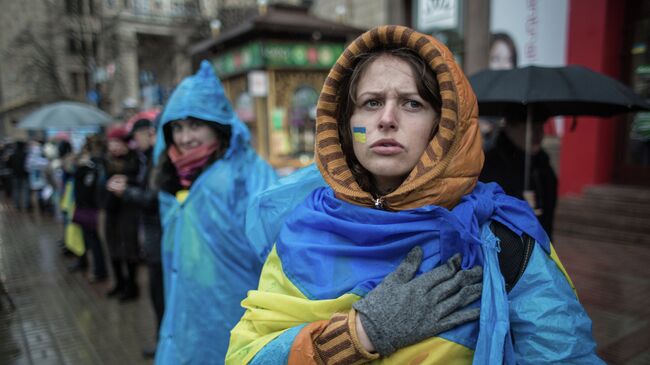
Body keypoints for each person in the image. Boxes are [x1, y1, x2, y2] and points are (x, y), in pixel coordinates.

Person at [226, 25, 603, 364]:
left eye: (412, 103)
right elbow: (245, 356)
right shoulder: (305, 230)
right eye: (371, 102)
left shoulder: (502, 241)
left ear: (443, 126)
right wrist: (358, 335)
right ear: (346, 124)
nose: (386, 119)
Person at [152, 60, 277, 364]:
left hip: (234, 306)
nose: (185, 138)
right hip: (186, 311)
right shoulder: (172, 178)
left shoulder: (246, 171)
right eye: (177, 127)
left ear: (217, 126)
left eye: (196, 125)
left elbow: (274, 237)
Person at [106, 117, 163, 358]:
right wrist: (129, 183)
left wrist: (125, 191)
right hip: (153, 238)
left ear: (149, 133)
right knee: (157, 294)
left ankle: (163, 344)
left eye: (135, 137)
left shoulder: (157, 159)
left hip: (159, 238)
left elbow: (152, 199)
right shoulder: (147, 158)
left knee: (160, 294)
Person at [479, 114, 558, 240]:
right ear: (510, 127)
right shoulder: (489, 164)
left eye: (541, 128)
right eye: (531, 128)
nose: (538, 135)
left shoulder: (543, 165)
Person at [103, 126, 141, 301]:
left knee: (129, 250)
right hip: (111, 210)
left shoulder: (135, 160)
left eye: (117, 143)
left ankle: (131, 286)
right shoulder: (105, 161)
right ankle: (118, 282)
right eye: (111, 143)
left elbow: (142, 182)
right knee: (113, 248)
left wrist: (127, 181)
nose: (114, 147)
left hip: (129, 211)